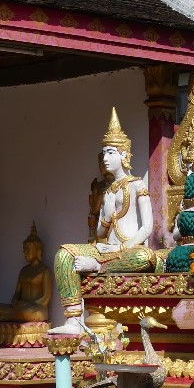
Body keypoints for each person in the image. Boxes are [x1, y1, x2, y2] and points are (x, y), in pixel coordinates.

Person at [50, 109, 156, 335]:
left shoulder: (137, 185)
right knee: (63, 255)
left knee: (145, 257)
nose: (105, 158)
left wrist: (118, 250)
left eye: (110, 152)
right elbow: (100, 233)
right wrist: (106, 216)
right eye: (103, 153)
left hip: (128, 250)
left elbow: (147, 227)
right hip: (104, 248)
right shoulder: (107, 192)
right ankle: (73, 320)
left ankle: (98, 267)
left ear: (124, 154)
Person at [0, 223, 53, 323]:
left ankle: (1, 317)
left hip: (36, 308)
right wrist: (15, 300)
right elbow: (17, 293)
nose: (25, 253)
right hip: (19, 307)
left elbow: (46, 298)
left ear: (37, 251)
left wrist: (28, 305)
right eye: (24, 250)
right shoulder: (23, 270)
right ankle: (7, 315)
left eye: (28, 250)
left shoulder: (44, 271)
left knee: (28, 312)